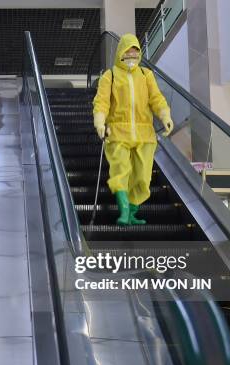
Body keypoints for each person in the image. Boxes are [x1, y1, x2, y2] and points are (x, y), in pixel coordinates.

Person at [92, 33, 173, 225]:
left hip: (145, 134)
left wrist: (165, 115)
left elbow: (156, 98)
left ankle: (133, 213)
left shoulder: (146, 75)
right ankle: (124, 211)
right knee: (120, 171)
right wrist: (99, 121)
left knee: (143, 178)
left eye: (135, 52)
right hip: (117, 133)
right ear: (121, 52)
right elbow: (101, 101)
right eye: (127, 52)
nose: (131, 56)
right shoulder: (109, 75)